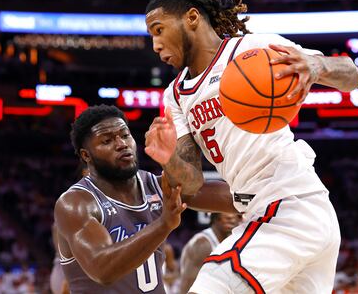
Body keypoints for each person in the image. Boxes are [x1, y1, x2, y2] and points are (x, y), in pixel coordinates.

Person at [144, 0, 358, 294]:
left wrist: (315, 66)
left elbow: (352, 75)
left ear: (191, 18)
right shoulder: (175, 96)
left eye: (159, 30)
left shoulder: (254, 50)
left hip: (290, 205)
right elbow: (192, 188)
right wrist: (167, 158)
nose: (155, 44)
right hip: (266, 213)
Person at [54, 105, 237, 293]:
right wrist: (164, 224)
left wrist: (173, 158)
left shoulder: (157, 186)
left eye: (125, 135)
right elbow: (103, 270)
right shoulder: (76, 203)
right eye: (107, 140)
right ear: (86, 155)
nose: (121, 144)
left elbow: (235, 200)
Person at [179, 213, 242, 293]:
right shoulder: (202, 244)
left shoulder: (230, 242)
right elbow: (188, 283)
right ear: (214, 216)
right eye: (224, 211)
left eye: (235, 213)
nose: (230, 216)